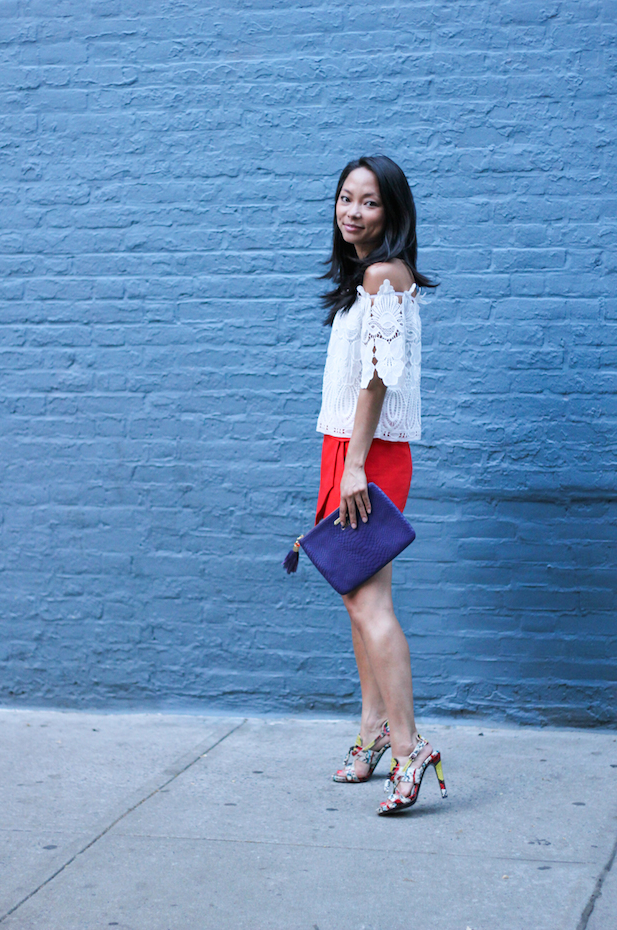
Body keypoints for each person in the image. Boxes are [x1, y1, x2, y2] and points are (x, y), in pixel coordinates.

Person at [316, 155, 447, 815]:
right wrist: (344, 458)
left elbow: (376, 376)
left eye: (368, 202)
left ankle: (409, 744)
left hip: (370, 455)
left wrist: (357, 465)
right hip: (346, 448)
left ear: (390, 213)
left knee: (372, 606)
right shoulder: (364, 278)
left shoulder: (383, 275)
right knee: (354, 598)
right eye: (345, 198)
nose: (353, 212)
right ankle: (372, 728)